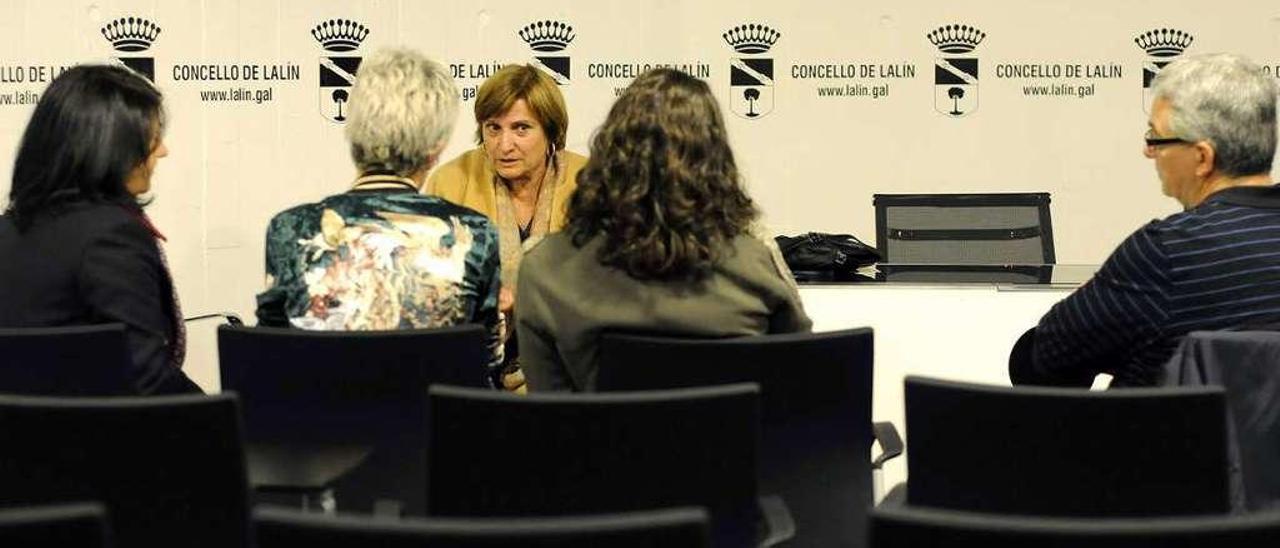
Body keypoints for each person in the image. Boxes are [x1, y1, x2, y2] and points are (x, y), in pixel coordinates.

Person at [515, 68, 813, 392]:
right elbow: (800, 386)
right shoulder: (754, 265)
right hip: (729, 442)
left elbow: (549, 413)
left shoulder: (544, 270)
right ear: (715, 162)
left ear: (609, 153)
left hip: (600, 442)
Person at [1010, 53, 1280, 387]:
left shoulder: (1165, 255)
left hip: (1171, 439)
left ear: (1202, 158)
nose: (1148, 151)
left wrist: (1095, 309)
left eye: (1156, 138)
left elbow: (1040, 361)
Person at [255, 48, 505, 386]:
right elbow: (486, 358)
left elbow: (269, 355)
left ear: (354, 132)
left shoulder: (289, 229)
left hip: (315, 431)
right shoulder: (474, 233)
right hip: (439, 433)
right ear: (437, 147)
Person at [0, 64, 198, 395]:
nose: (163, 151)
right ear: (112, 149)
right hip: (103, 440)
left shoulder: (7, 230)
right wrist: (230, 422)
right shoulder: (113, 237)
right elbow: (147, 381)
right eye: (153, 139)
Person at [426, 64, 587, 389]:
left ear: (551, 131)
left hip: (567, 371)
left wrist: (530, 300)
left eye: (521, 128)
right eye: (493, 128)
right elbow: (432, 288)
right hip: (472, 371)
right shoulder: (451, 181)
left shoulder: (588, 182)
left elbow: (605, 289)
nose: (504, 144)